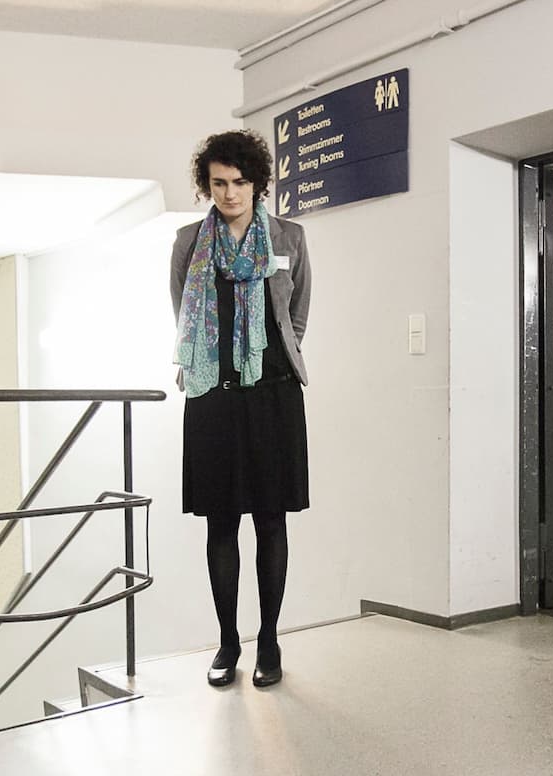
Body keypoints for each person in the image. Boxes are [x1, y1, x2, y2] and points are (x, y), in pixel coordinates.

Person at [170, 130, 311, 689]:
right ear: (207, 186)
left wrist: (268, 357)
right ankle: (228, 641)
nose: (229, 194)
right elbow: (181, 310)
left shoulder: (289, 237)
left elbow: (296, 316)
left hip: (273, 393)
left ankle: (269, 640)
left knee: (270, 519)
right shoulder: (187, 242)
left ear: (258, 183)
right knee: (220, 521)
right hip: (212, 396)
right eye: (218, 183)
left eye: (239, 183)